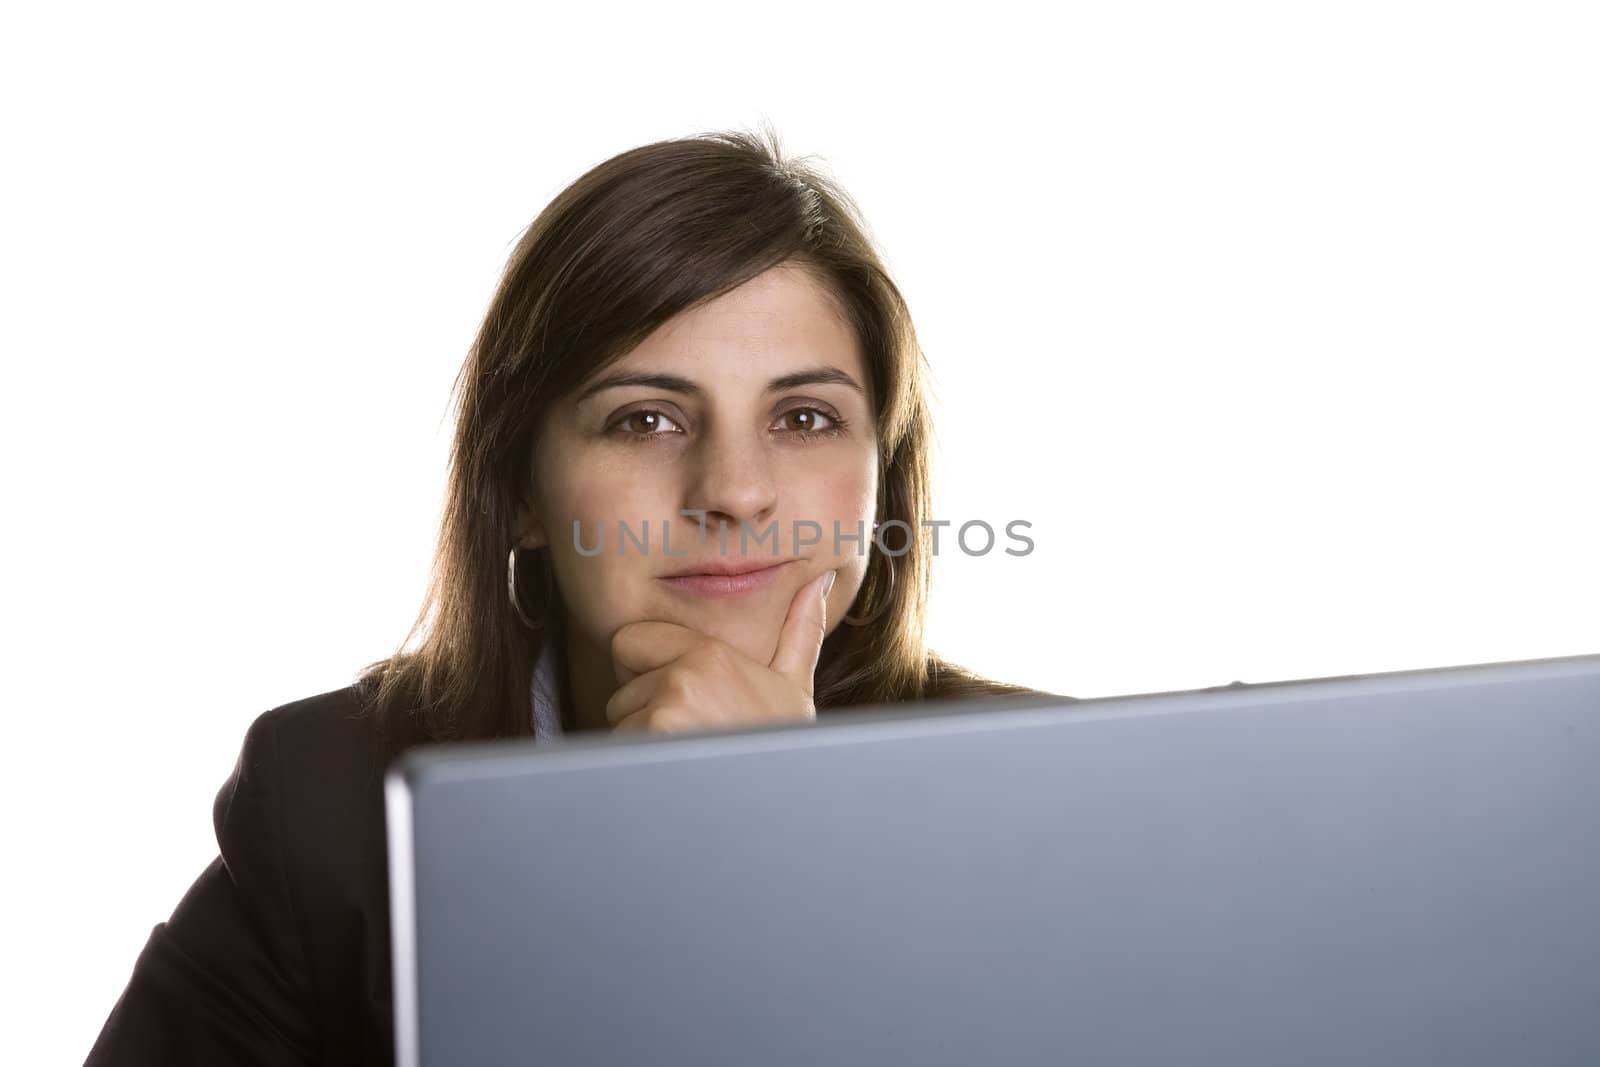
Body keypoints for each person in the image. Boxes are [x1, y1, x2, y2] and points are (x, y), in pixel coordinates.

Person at [85, 126, 1056, 1066]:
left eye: (804, 416)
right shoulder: (331, 807)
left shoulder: (1056, 806)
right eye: (644, 419)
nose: (733, 489)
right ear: (520, 495)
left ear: (881, 476)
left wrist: (796, 850)